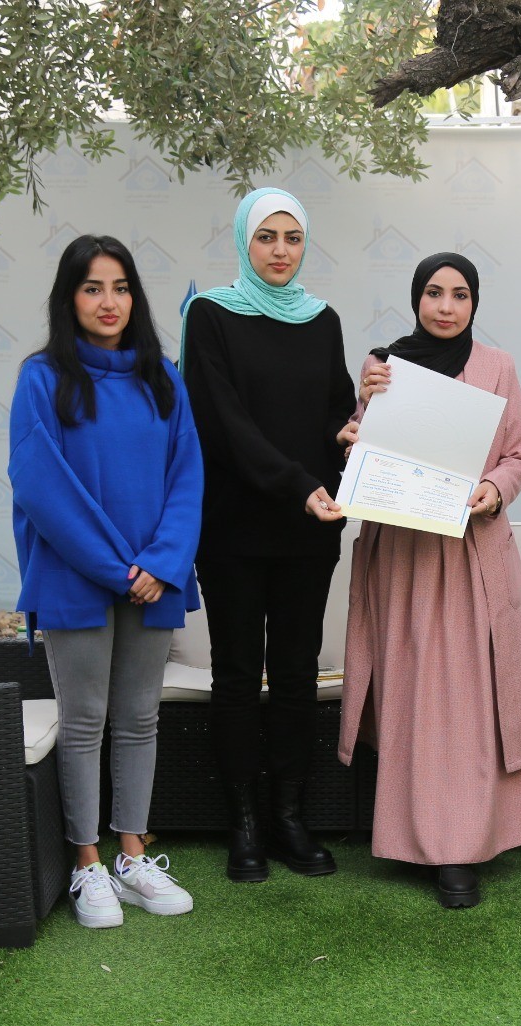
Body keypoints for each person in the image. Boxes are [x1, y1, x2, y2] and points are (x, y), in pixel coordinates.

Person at [336, 252, 521, 909]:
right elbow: (362, 447)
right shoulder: (384, 366)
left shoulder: (497, 367)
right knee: (411, 698)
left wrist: (494, 487)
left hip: (471, 558)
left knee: (469, 702)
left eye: (460, 295)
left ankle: (464, 848)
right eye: (434, 292)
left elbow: (520, 454)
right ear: (416, 299)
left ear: (474, 303)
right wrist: (353, 432)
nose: (445, 306)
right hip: (403, 558)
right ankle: (413, 838)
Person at [9, 234, 202, 929]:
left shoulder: (163, 378)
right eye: (92, 288)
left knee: (140, 718)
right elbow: (41, 487)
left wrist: (162, 564)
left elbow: (187, 476)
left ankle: (132, 857)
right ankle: (86, 864)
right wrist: (121, 570)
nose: (108, 301)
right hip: (76, 579)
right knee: (86, 720)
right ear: (69, 299)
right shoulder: (41, 379)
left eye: (120, 287)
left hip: (154, 579)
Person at [182, 188, 354, 883]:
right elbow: (222, 424)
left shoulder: (322, 319)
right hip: (233, 528)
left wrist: (353, 432)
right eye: (266, 237)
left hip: (309, 529)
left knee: (295, 676)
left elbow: (333, 415)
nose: (280, 250)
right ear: (243, 241)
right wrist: (297, 484)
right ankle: (244, 825)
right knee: (234, 676)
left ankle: (288, 818)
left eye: (292, 237)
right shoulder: (210, 314)